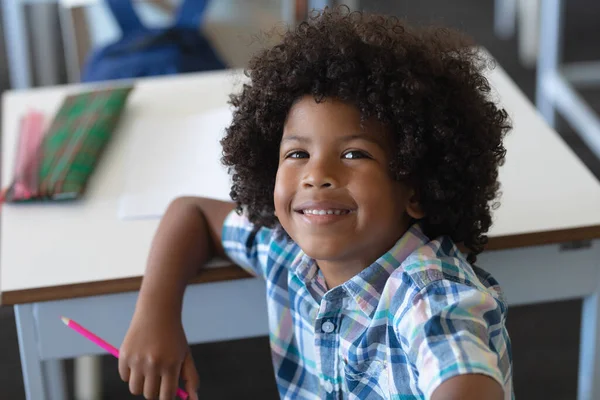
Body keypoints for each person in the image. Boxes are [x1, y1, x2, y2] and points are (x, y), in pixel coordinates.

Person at [118, 6, 513, 400]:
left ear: (415, 190)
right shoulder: (288, 253)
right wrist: (157, 315)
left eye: (355, 154)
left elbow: (460, 370)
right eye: (297, 154)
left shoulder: (429, 295)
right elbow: (193, 213)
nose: (315, 174)